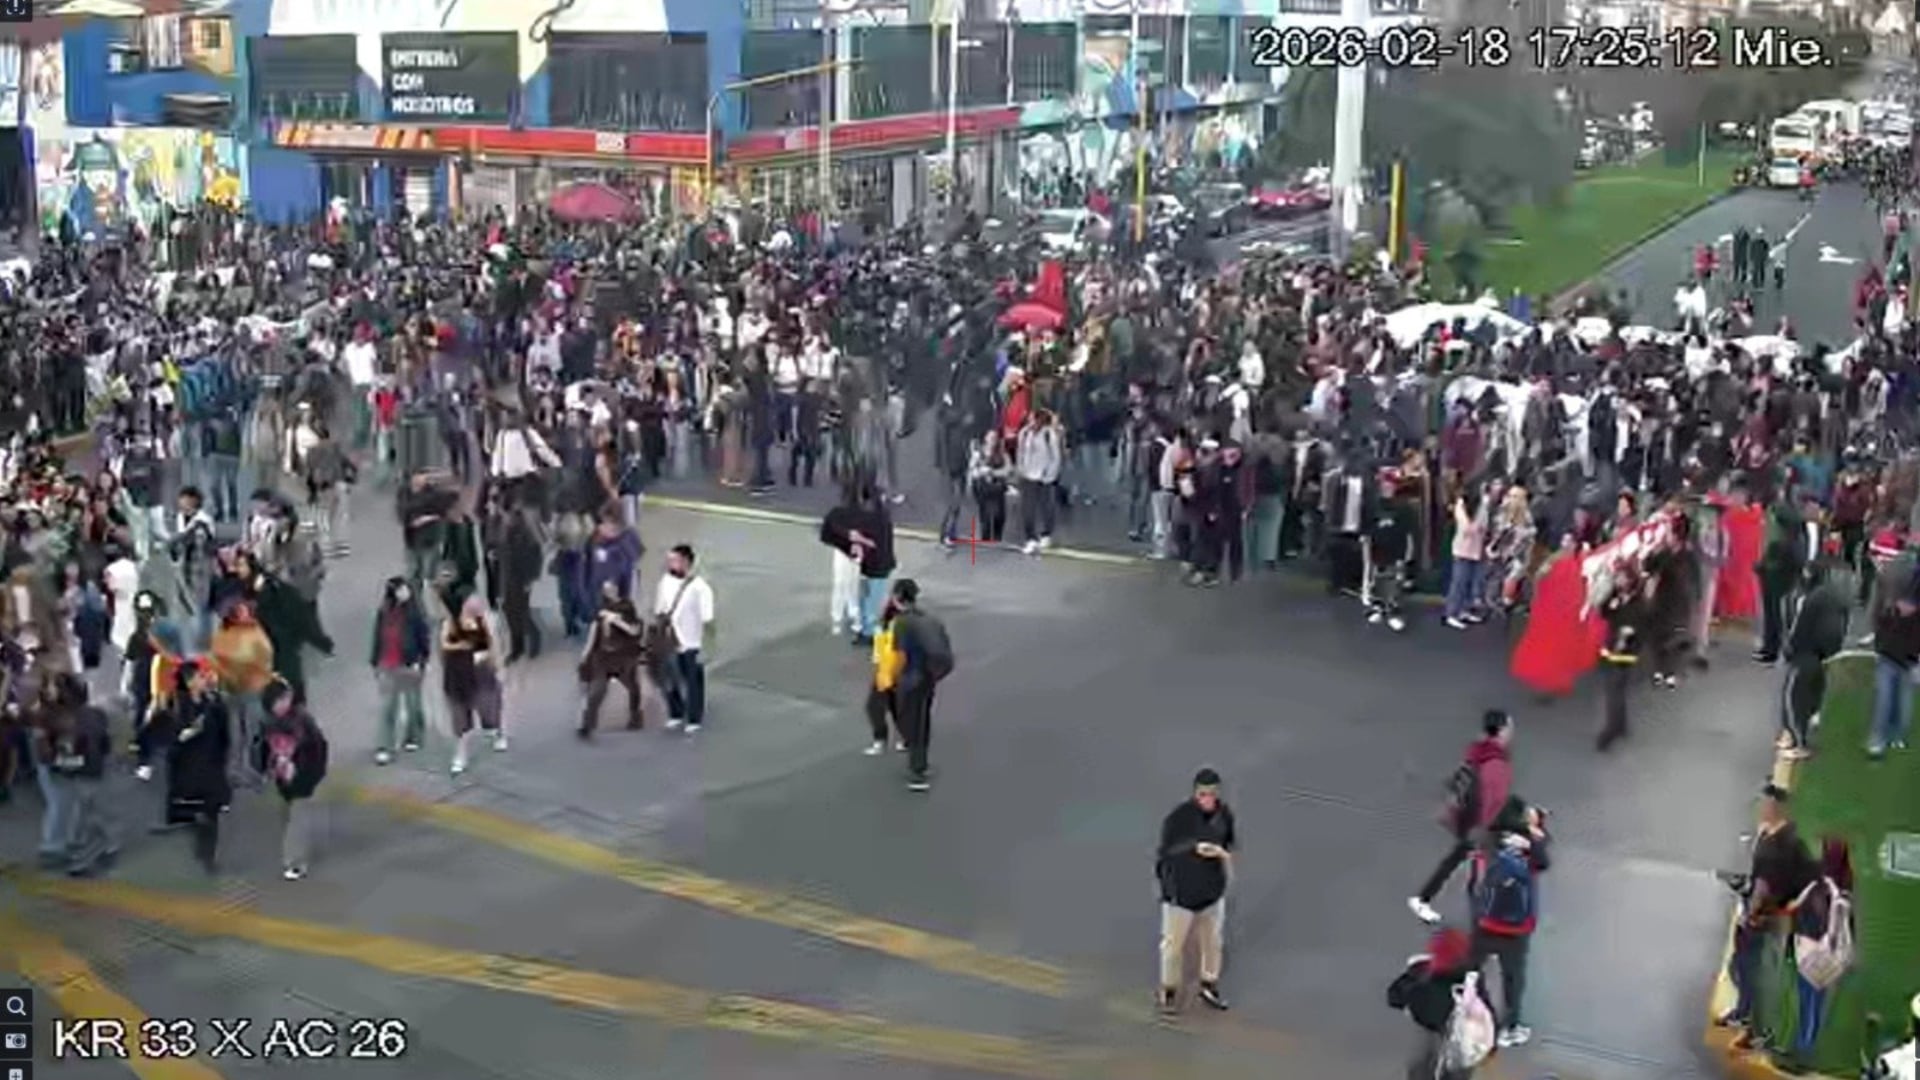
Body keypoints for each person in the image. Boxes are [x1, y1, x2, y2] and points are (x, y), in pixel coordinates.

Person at [1721, 783, 1816, 1048]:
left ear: (1777, 808)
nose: (1760, 809)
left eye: (1765, 805)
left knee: (1760, 974)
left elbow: (1767, 887)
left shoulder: (1781, 845)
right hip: (1764, 914)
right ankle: (1745, 1014)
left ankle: (1763, 1031)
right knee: (1741, 967)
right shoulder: (1773, 835)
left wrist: (1751, 912)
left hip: (1767, 919)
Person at [1410, 710, 1514, 925]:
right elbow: (1493, 798)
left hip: (1468, 819)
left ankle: (1424, 898)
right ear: (1502, 730)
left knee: (1459, 861)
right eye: (1509, 727)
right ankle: (1487, 922)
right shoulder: (1496, 762)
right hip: (1481, 824)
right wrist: (1489, 828)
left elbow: (1463, 778)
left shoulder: (1479, 750)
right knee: (1490, 869)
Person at [1155, 767, 1236, 1015]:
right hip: (1181, 897)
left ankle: (1209, 983)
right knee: (1172, 946)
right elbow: (1166, 851)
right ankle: (1168, 989)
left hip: (1211, 895)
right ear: (1195, 793)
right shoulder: (1180, 818)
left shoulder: (1224, 815)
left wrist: (1223, 857)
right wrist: (1194, 847)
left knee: (1212, 943)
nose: (1207, 799)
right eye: (1202, 794)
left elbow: (1228, 843)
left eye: (1211, 794)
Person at [1470, 797, 1549, 1049]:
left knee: (1472, 969)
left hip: (1484, 922)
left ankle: (1474, 1012)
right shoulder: (1529, 848)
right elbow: (1544, 861)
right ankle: (1510, 1026)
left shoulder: (1486, 842)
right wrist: (1537, 830)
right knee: (1513, 977)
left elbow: (1475, 882)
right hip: (1516, 928)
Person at [1785, 838, 1855, 1070]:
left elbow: (1808, 916)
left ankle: (1802, 1053)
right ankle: (1804, 1047)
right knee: (1816, 1005)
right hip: (1831, 959)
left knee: (1808, 1004)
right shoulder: (1845, 888)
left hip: (1813, 953)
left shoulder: (1822, 887)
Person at [160, 660, 232, 874]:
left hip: (210, 766)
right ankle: (197, 841)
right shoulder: (176, 706)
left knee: (211, 814)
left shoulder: (213, 704)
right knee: (194, 811)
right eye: (200, 677)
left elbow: (223, 733)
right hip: (188, 768)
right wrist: (184, 736)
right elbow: (166, 741)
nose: (205, 680)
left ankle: (207, 855)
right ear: (190, 682)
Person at [253, 679, 328, 881]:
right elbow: (262, 749)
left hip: (301, 777)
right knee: (287, 817)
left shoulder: (302, 721)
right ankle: (293, 855)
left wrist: (310, 775)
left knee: (298, 819)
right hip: (281, 779)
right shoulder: (268, 722)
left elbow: (318, 748)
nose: (285, 703)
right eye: (281, 700)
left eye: (286, 698)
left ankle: (295, 862)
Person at [1781, 552, 1849, 759]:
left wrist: (1790, 649)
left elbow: (1798, 629)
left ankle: (1800, 743)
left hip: (1805, 654)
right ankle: (1805, 732)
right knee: (1812, 695)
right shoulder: (1836, 598)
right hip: (1824, 655)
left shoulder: (1809, 599)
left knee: (1793, 700)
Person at [887, 577, 952, 791]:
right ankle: (918, 757)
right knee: (922, 718)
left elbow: (899, 656)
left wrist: (892, 677)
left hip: (911, 677)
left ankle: (918, 772)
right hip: (929, 676)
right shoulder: (929, 618)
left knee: (912, 720)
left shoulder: (902, 622)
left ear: (897, 597)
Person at [1388, 927, 1476, 1079]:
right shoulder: (1469, 979)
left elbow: (1394, 997)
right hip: (1458, 1034)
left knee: (1424, 1062)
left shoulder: (1421, 975)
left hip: (1428, 1026)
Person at [49, 674, 115, 877]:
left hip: (78, 772)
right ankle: (104, 847)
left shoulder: (64, 719)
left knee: (83, 818)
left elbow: (66, 751)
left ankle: (83, 859)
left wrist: (58, 766)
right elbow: (105, 744)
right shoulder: (97, 714)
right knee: (90, 812)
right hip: (95, 769)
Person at [209, 598, 276, 787]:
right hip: (233, 690)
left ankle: (244, 767)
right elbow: (216, 658)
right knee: (236, 731)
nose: (241, 614)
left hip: (250, 688)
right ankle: (235, 769)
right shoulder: (227, 633)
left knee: (249, 731)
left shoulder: (254, 632)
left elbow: (265, 656)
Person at [653, 543, 715, 734]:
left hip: (692, 641)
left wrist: (708, 647)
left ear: (686, 562)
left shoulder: (700, 588)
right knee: (669, 678)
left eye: (674, 560)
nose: (670, 563)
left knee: (693, 681)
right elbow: (659, 609)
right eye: (669, 559)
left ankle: (694, 717)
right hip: (671, 639)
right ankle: (676, 713)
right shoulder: (665, 581)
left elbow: (708, 621)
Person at [369, 577, 431, 765]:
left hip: (408, 663)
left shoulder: (414, 614)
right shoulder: (384, 613)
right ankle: (384, 746)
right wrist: (375, 662)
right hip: (388, 665)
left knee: (413, 705)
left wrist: (422, 661)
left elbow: (423, 638)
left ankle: (414, 736)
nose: (405, 593)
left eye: (406, 589)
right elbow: (377, 638)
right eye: (401, 589)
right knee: (388, 707)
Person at [442, 594, 505, 771]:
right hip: (459, 674)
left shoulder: (487, 621)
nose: (476, 610)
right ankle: (461, 754)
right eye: (471, 606)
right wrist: (462, 647)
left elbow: (495, 645)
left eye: (478, 607)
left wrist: (499, 668)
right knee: (460, 717)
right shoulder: (451, 622)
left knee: (490, 707)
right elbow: (444, 645)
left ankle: (497, 731)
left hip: (482, 672)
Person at [579, 581, 647, 739]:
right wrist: (586, 653)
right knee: (597, 690)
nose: (609, 592)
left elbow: (634, 631)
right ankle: (587, 725)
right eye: (606, 590)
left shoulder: (627, 607)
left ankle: (635, 717)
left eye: (612, 588)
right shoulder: (600, 608)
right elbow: (594, 630)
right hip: (603, 656)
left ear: (617, 589)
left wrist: (616, 620)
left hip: (623, 656)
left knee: (633, 687)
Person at [864, 590, 905, 756]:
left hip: (894, 673)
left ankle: (884, 740)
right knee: (879, 708)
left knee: (887, 708)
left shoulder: (902, 623)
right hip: (886, 673)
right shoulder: (888, 623)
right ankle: (887, 739)